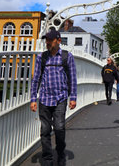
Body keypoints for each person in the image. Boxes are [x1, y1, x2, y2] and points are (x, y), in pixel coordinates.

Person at [30, 29, 77, 166]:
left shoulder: (67, 57)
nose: (47, 42)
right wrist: (33, 99)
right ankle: (47, 160)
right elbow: (36, 79)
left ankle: (61, 155)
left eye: (50, 40)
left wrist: (73, 97)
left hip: (60, 98)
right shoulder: (41, 57)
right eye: (46, 40)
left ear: (59, 41)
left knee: (59, 128)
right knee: (45, 130)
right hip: (44, 98)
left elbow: (72, 78)